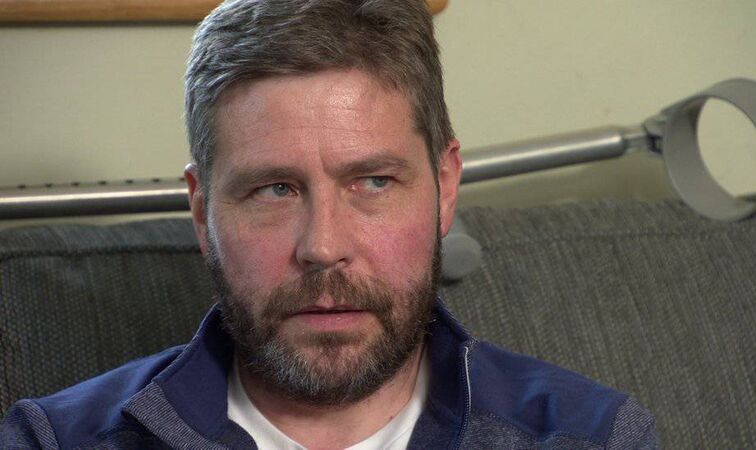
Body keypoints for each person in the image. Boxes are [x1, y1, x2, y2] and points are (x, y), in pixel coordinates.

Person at [1, 0, 658, 448]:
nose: (323, 247)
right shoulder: (51, 441)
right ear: (202, 212)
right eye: (274, 190)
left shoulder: (591, 437)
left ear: (445, 187)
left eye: (373, 182)